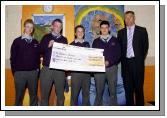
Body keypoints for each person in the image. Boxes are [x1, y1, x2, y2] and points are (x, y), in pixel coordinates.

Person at [117, 11, 149, 106]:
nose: (128, 19)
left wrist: (138, 59)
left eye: (130, 17)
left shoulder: (142, 31)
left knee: (139, 90)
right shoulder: (120, 33)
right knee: (128, 91)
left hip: (138, 65)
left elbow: (145, 47)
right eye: (126, 18)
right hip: (126, 66)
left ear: (134, 18)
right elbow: (120, 50)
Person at [10, 19, 40, 106]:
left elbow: (37, 57)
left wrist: (37, 70)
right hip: (20, 73)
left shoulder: (35, 42)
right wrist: (15, 72)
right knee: (19, 96)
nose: (29, 29)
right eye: (28, 27)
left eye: (31, 27)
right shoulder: (17, 41)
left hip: (33, 73)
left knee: (33, 96)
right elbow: (13, 58)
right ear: (24, 27)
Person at [39, 19, 68, 106]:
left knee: (60, 96)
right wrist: (48, 46)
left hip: (59, 70)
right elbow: (39, 51)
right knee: (44, 96)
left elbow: (66, 54)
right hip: (47, 69)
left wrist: (66, 65)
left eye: (60, 26)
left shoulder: (64, 39)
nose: (58, 28)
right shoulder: (45, 37)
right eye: (56, 26)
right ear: (52, 26)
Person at [92, 20, 121, 106]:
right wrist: (100, 62)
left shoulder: (115, 40)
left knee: (113, 92)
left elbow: (118, 54)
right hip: (99, 69)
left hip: (112, 69)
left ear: (109, 28)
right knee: (98, 92)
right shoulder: (96, 41)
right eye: (102, 28)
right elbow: (93, 55)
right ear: (100, 29)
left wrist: (109, 62)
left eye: (106, 27)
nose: (104, 29)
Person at [70, 25, 91, 106]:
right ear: (75, 33)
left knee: (86, 96)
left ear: (84, 33)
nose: (80, 33)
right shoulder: (71, 45)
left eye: (82, 31)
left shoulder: (87, 44)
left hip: (86, 74)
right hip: (76, 74)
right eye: (78, 31)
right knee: (74, 96)